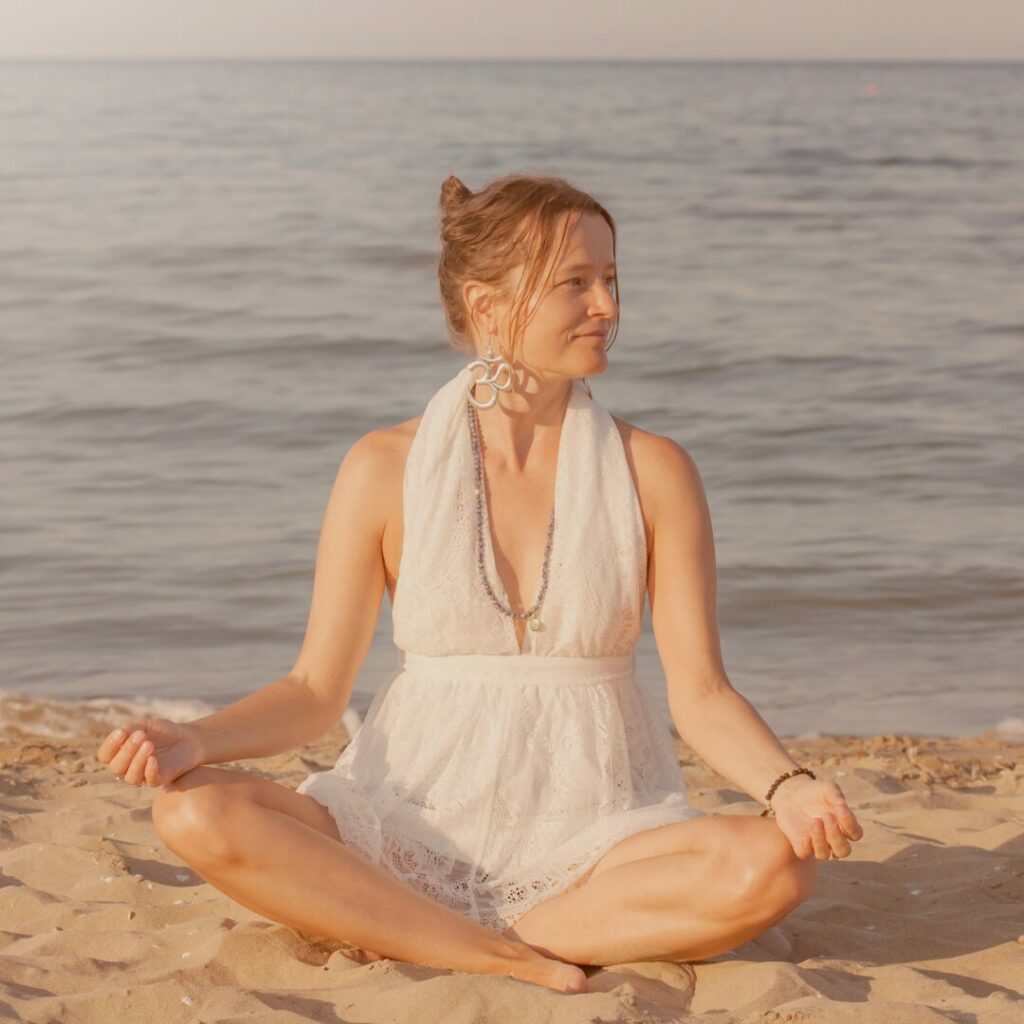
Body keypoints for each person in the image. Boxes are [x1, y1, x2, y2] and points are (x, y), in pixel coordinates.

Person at [96, 173, 864, 995]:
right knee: (191, 810)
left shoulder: (656, 472)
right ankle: (494, 954)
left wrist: (788, 785)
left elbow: (703, 694)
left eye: (611, 278)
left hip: (597, 839)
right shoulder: (381, 468)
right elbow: (316, 689)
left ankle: (448, 934)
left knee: (774, 867)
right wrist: (199, 740)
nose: (607, 304)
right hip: (399, 826)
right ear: (488, 306)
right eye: (576, 282)